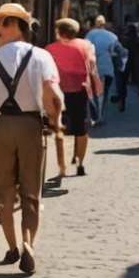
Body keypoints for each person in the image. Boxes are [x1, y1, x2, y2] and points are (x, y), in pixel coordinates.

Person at [0, 3, 63, 274]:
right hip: (30, 125)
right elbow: (54, 96)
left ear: (13, 25)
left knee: (4, 190)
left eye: (0, 26)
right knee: (31, 191)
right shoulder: (41, 57)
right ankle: (29, 242)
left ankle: (12, 246)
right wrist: (56, 120)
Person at [47, 18, 101, 177]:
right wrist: (96, 87)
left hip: (57, 92)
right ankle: (80, 162)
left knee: (59, 127)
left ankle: (62, 165)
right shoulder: (85, 46)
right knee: (80, 127)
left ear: (58, 32)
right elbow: (92, 67)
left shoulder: (49, 49)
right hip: (80, 90)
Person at [84, 16, 120, 126]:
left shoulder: (90, 35)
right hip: (107, 67)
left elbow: (85, 50)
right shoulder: (112, 36)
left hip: (92, 67)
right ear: (105, 24)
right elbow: (117, 52)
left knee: (91, 93)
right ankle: (100, 116)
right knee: (104, 93)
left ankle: (91, 117)